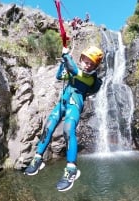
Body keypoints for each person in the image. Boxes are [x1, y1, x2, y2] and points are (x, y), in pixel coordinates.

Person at [24, 46, 104, 192]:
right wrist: (63, 61)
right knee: (49, 125)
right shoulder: (76, 72)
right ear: (81, 60)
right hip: (62, 103)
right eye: (85, 61)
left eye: (91, 63)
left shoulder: (90, 77)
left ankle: (72, 169)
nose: (87, 65)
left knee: (68, 130)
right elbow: (60, 76)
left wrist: (67, 56)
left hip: (74, 105)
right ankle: (37, 158)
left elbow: (74, 70)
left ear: (95, 66)